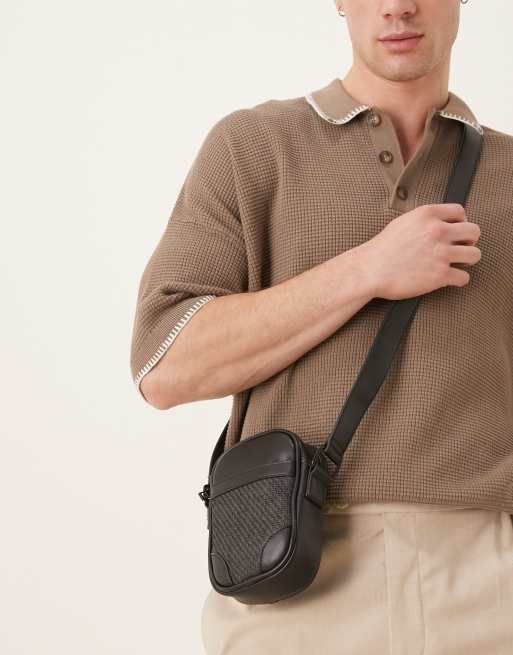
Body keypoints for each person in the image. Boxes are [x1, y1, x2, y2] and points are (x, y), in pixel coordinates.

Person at [129, 0, 513, 652]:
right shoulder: (254, 148)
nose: (398, 7)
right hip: (295, 571)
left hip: (488, 574)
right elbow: (164, 365)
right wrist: (368, 269)